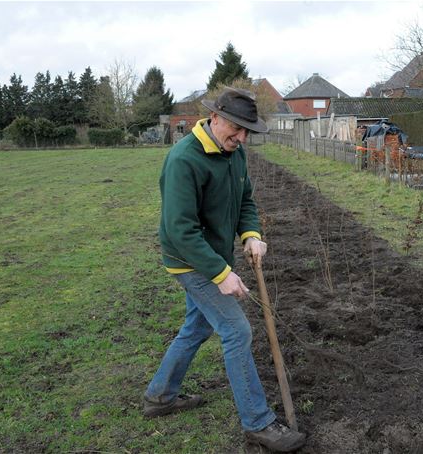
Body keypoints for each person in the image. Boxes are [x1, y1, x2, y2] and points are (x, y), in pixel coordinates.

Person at [143, 87, 306, 452]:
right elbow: (180, 230)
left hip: (214, 256)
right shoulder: (185, 159)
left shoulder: (235, 153)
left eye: (247, 130)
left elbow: (245, 199)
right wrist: (220, 273)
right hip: (190, 261)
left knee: (196, 327)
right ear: (215, 117)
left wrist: (251, 234)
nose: (241, 137)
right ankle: (258, 422)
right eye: (236, 127)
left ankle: (160, 397)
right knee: (236, 330)